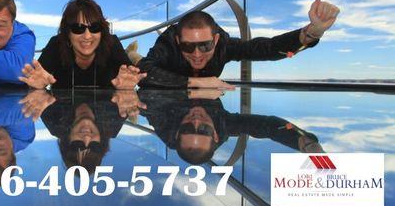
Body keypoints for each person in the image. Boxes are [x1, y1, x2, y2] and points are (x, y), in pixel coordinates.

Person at [137, 0, 340, 89]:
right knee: (135, 59)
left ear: (216, 40)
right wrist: (196, 82)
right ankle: (132, 52)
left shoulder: (224, 45)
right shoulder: (168, 43)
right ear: (178, 41)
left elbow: (264, 48)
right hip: (164, 67)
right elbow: (144, 69)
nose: (197, 54)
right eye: (188, 47)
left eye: (205, 45)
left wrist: (312, 32)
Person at [139, 90, 325, 165]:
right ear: (217, 136)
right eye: (204, 130)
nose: (196, 121)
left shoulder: (166, 126)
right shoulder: (225, 125)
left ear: (178, 131)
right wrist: (305, 143)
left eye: (187, 129)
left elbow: (146, 98)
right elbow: (269, 126)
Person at [19, 0, 146, 89]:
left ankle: (131, 53)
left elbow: (131, 77)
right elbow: (37, 78)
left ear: (102, 31)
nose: (87, 36)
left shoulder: (111, 43)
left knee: (134, 58)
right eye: (78, 28)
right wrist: (35, 87)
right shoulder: (56, 45)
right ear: (67, 32)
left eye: (95, 28)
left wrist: (127, 89)